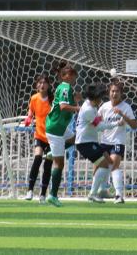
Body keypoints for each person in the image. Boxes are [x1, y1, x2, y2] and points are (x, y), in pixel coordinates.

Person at [43, 65, 81, 207]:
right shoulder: (65, 87)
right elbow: (63, 106)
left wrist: (75, 100)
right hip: (56, 128)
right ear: (64, 76)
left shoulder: (67, 88)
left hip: (60, 127)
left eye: (73, 74)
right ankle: (52, 195)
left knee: (75, 139)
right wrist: (78, 108)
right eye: (70, 74)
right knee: (60, 164)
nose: (72, 77)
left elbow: (65, 105)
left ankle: (52, 153)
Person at [98, 79, 137, 204]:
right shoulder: (104, 106)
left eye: (117, 91)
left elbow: (134, 125)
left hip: (117, 142)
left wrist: (123, 115)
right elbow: (96, 121)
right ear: (109, 92)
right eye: (112, 91)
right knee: (102, 166)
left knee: (114, 165)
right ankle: (101, 190)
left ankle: (119, 195)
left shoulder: (126, 107)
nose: (114, 94)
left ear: (121, 93)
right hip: (104, 141)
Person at [74, 84, 114, 203]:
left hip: (90, 141)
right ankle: (92, 194)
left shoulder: (91, 105)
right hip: (84, 143)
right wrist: (115, 124)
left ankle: (102, 190)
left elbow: (96, 121)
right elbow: (99, 127)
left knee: (109, 161)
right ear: (95, 98)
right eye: (99, 98)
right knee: (104, 165)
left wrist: (103, 118)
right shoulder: (88, 109)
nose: (101, 100)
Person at [23, 74, 53, 202]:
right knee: (37, 158)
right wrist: (29, 118)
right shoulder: (34, 98)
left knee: (48, 164)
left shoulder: (53, 99)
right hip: (39, 135)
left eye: (44, 82)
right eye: (40, 82)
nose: (42, 85)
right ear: (36, 85)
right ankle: (30, 190)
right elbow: (31, 112)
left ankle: (43, 194)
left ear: (48, 85)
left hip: (52, 136)